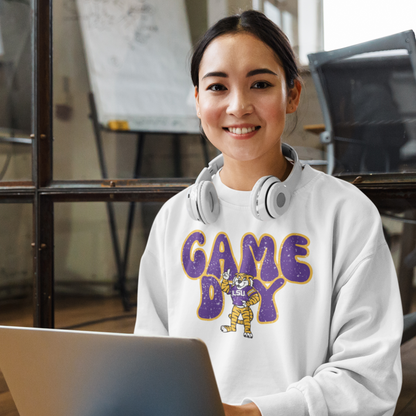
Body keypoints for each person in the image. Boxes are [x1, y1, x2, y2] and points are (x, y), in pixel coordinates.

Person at [134, 9, 403, 416]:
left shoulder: (345, 214)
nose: (238, 106)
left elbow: (369, 380)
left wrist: (251, 413)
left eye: (259, 84)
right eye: (218, 87)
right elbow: (149, 361)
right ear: (197, 100)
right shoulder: (175, 218)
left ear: (292, 95)